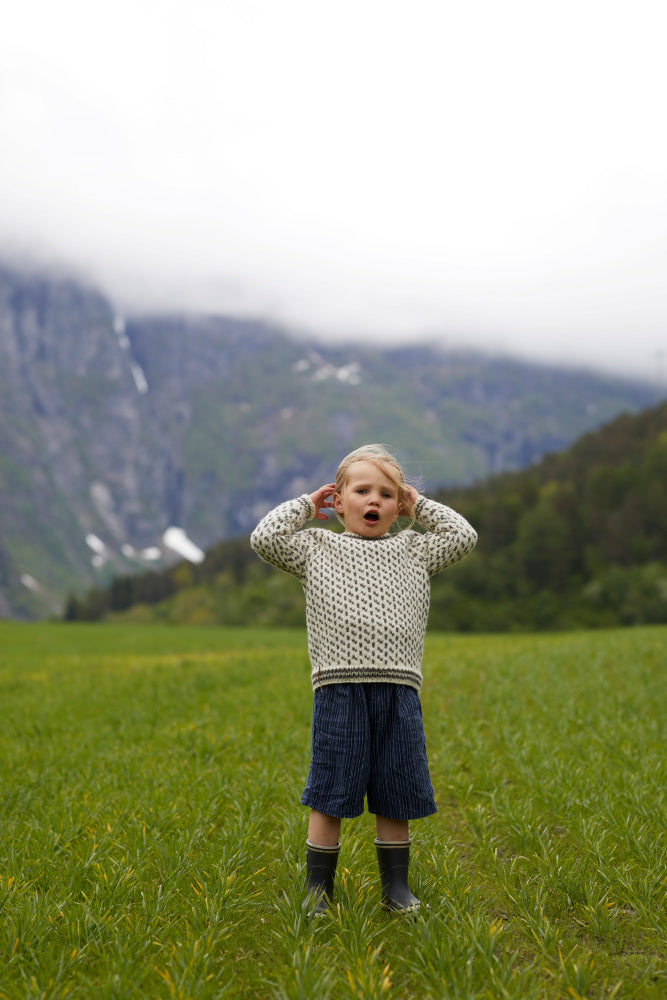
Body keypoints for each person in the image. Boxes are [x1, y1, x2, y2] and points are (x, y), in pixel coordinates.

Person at [250, 444, 477, 914]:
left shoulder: (416, 548)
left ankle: (396, 890)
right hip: (339, 690)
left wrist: (422, 506)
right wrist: (306, 506)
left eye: (386, 494)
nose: (373, 500)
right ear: (339, 500)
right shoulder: (315, 547)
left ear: (399, 506)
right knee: (331, 791)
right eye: (362, 491)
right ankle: (319, 891)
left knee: (397, 792)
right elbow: (264, 538)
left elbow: (464, 535)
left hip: (398, 690)